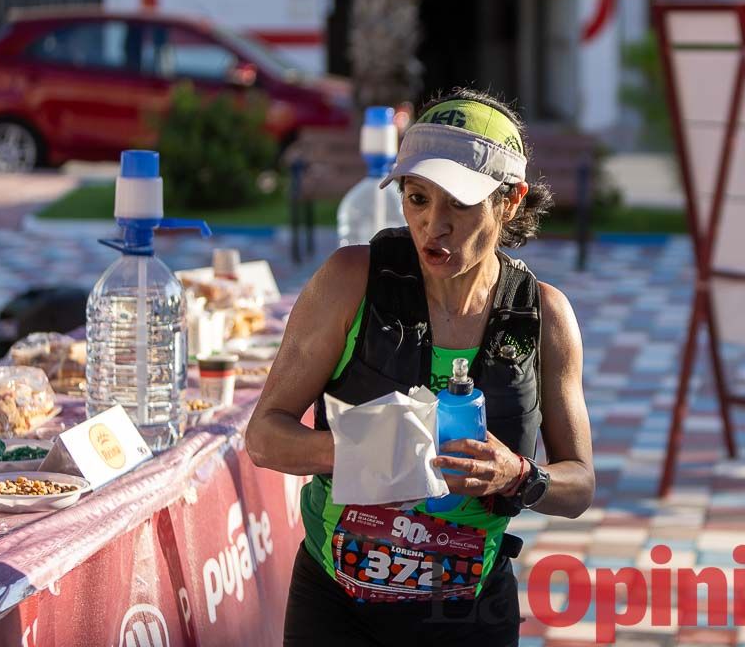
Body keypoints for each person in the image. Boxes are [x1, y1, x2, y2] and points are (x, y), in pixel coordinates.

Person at [246, 88, 595, 646]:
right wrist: (359, 453)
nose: (434, 225)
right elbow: (264, 436)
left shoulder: (544, 316)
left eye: (459, 203)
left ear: (510, 201)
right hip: (338, 604)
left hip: (468, 613)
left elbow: (578, 486)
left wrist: (518, 476)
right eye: (417, 198)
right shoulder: (350, 280)